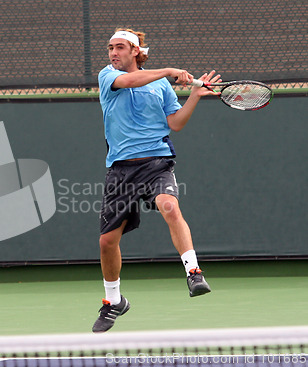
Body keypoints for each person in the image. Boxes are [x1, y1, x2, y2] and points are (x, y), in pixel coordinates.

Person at [92, 28, 220, 333]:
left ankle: (193, 272)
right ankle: (114, 302)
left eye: (120, 47)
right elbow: (129, 81)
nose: (113, 53)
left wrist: (194, 97)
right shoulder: (108, 76)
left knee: (169, 206)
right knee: (108, 241)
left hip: (156, 162)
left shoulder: (160, 86)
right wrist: (171, 71)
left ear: (136, 51)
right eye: (110, 48)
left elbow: (175, 123)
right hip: (120, 169)